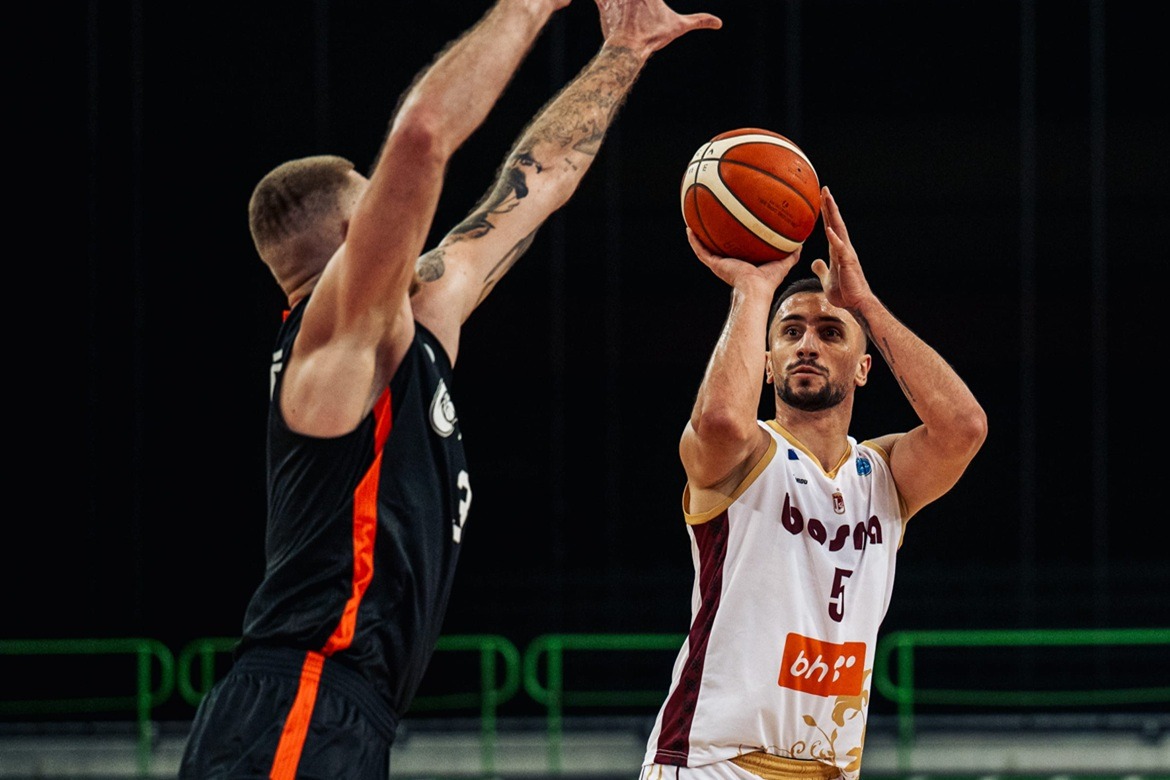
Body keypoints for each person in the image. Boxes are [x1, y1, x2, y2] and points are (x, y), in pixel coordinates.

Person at [178, 0, 721, 776]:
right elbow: (423, 136)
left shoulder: (415, 318)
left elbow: (537, 184)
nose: (402, 219)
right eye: (377, 202)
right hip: (299, 697)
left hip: (345, 710)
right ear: (353, 240)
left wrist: (625, 51)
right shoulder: (332, 340)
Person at [640, 188, 988, 780]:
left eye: (830, 332)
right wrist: (754, 289)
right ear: (767, 361)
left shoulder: (882, 476)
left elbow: (964, 427)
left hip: (829, 768)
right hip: (712, 761)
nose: (807, 344)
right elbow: (720, 421)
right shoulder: (745, 454)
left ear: (863, 366)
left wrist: (865, 304)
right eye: (791, 331)